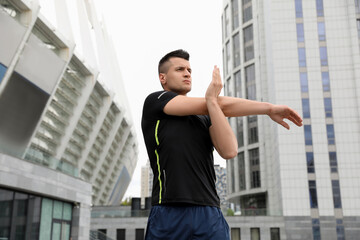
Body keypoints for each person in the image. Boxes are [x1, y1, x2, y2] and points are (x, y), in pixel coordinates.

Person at [141, 49, 302, 240]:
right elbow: (220, 104)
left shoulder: (206, 113)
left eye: (190, 70)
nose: (187, 73)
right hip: (169, 211)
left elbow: (229, 150)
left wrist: (268, 109)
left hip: (209, 214)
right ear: (163, 78)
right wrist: (267, 108)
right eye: (180, 69)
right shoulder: (155, 101)